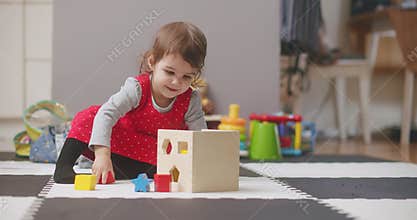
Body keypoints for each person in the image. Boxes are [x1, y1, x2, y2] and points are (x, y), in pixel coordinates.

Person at [54, 22, 207, 184]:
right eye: (169, 72)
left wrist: (206, 166)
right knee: (89, 116)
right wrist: (102, 155)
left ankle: (119, 171)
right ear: (152, 62)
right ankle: (64, 167)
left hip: (156, 153)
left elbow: (201, 137)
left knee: (182, 151)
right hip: (122, 144)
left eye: (187, 77)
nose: (177, 82)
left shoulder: (191, 99)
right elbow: (106, 114)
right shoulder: (137, 88)